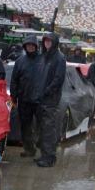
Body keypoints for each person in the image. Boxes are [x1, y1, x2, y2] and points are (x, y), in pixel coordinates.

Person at [30, 32, 67, 166]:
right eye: (45, 41)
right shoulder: (44, 57)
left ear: (54, 43)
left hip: (51, 100)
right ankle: (45, 155)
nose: (47, 43)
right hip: (41, 98)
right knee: (42, 129)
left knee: (49, 129)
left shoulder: (59, 58)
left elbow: (58, 79)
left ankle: (49, 157)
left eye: (49, 41)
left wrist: (46, 91)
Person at [10, 36, 42, 158]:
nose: (30, 46)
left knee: (42, 125)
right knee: (25, 125)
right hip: (24, 99)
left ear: (36, 46)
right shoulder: (20, 61)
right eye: (28, 44)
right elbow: (14, 81)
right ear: (25, 46)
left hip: (40, 100)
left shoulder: (43, 60)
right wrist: (14, 98)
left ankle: (43, 149)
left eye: (32, 44)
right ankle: (29, 148)